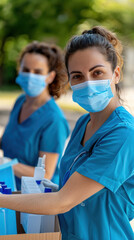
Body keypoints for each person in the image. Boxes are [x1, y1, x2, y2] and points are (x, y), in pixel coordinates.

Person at [0, 26, 134, 240]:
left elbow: (63, 201)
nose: (88, 83)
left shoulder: (124, 134)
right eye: (78, 76)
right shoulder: (83, 123)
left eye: (97, 72)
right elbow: (67, 189)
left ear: (116, 74)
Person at [0, 41, 70, 190]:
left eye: (37, 72)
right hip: (9, 188)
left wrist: (6, 164)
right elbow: (13, 140)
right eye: (25, 69)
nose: (30, 76)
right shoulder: (21, 102)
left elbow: (45, 175)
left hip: (34, 200)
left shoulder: (54, 120)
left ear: (50, 76)